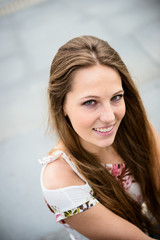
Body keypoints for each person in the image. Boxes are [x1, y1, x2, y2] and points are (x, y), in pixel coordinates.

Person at [39, 35, 160, 240]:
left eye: (116, 97)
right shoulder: (60, 181)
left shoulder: (135, 126)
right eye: (90, 102)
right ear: (62, 106)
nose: (109, 117)